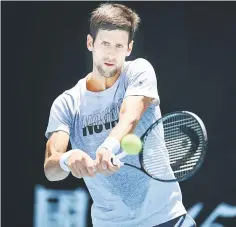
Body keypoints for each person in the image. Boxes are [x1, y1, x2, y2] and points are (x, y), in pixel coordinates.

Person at [44, 3, 196, 227]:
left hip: (167, 218)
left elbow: (130, 117)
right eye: (105, 43)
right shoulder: (67, 104)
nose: (111, 54)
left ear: (129, 48)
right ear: (90, 43)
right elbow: (51, 168)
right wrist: (68, 159)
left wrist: (107, 147)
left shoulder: (139, 71)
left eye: (118, 46)